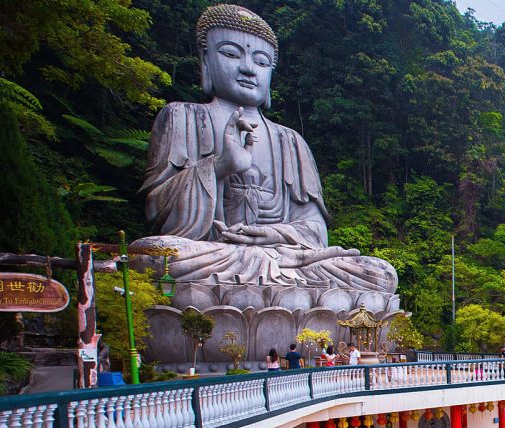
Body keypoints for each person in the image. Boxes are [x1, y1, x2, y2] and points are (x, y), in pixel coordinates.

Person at [131, 4, 398, 306]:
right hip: (214, 254)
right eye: (231, 54)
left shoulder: (291, 141)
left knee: (379, 273)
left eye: (260, 61)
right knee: (157, 256)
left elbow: (315, 230)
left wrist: (271, 234)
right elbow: (157, 212)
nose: (247, 68)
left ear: (270, 71)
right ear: (205, 60)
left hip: (286, 259)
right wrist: (220, 166)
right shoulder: (181, 117)